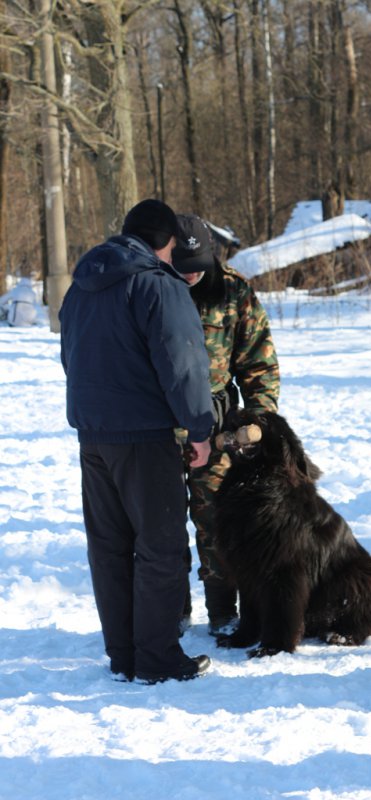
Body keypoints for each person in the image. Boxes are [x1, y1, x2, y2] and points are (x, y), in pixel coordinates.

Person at [59, 199, 215, 684]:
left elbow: (70, 354)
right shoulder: (157, 284)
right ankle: (157, 656)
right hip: (144, 436)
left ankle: (124, 653)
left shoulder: (83, 284)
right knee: (161, 545)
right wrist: (200, 429)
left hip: (94, 435)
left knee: (109, 546)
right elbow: (184, 364)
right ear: (166, 243)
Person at [171, 214, 280, 635]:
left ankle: (222, 608)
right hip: (159, 430)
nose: (192, 272)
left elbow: (259, 364)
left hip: (216, 429)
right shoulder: (152, 286)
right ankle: (172, 610)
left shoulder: (233, 289)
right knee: (163, 527)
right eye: (184, 265)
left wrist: (259, 422)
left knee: (217, 517)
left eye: (199, 262)